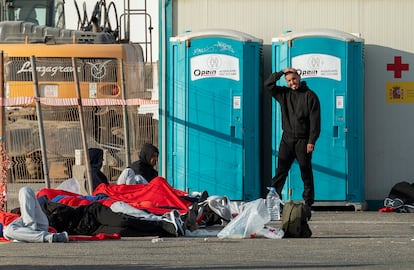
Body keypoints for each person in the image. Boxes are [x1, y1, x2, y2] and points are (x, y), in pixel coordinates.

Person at [264, 68, 321, 217]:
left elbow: (315, 123)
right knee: (280, 172)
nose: (292, 83)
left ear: (299, 77)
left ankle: (308, 204)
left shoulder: (310, 96)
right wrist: (282, 72)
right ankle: (274, 202)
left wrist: (311, 141)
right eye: (289, 80)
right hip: (287, 139)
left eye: (294, 79)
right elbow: (268, 84)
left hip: (303, 141)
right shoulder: (284, 94)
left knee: (305, 172)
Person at [3, 186, 69, 243]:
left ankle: (30, 232)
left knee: (25, 190)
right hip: (21, 229)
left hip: (33, 221)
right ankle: (51, 237)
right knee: (7, 231)